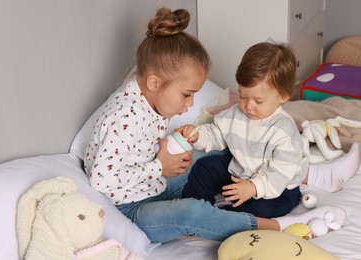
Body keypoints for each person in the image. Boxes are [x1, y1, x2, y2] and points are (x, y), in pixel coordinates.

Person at [84, 8, 347, 244]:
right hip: (134, 205)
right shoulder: (123, 118)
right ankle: (276, 225)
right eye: (186, 95)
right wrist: (161, 165)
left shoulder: (147, 94)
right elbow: (102, 179)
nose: (188, 105)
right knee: (194, 208)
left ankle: (308, 173)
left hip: (155, 184)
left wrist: (184, 146)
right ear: (154, 83)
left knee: (216, 155)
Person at [179, 42, 361, 218]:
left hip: (276, 188)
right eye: (243, 96)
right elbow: (217, 133)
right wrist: (198, 135)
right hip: (240, 171)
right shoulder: (236, 113)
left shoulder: (284, 131)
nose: (248, 106)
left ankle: (223, 218)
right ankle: (191, 210)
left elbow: (279, 174)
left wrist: (253, 187)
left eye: (258, 101)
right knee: (205, 167)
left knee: (263, 209)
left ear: (282, 96)